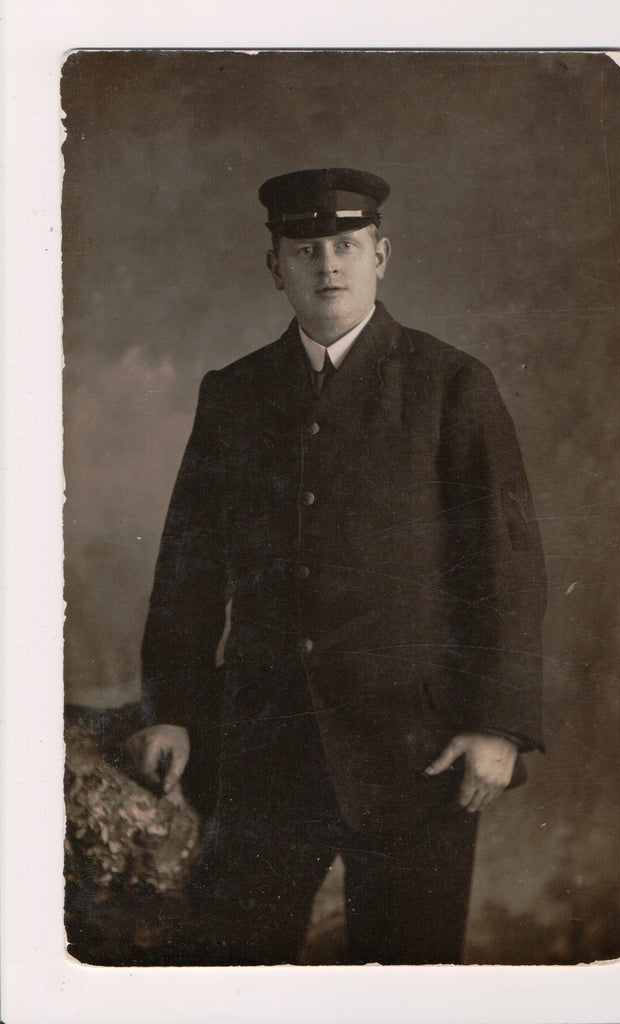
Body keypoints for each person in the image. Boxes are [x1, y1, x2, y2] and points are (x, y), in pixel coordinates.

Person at [128, 167, 546, 965]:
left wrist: (496, 725)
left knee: (406, 983)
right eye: (305, 249)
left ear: (379, 256)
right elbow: (189, 565)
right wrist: (171, 707)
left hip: (418, 755)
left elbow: (506, 567)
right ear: (274, 266)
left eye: (346, 246)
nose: (327, 265)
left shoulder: (451, 385)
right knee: (227, 976)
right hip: (264, 753)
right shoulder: (234, 394)